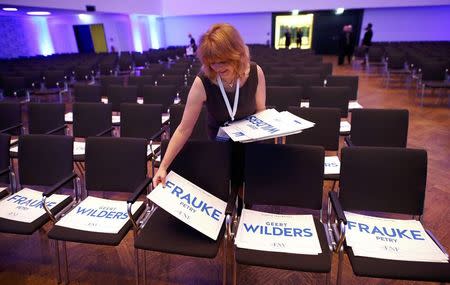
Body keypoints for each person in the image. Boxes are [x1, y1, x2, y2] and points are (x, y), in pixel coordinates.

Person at [153, 23, 266, 189]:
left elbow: (261, 111)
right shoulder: (203, 81)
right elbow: (184, 129)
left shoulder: (256, 73)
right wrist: (163, 167)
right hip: (220, 149)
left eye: (223, 62)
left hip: (250, 146)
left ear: (238, 54)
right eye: (213, 63)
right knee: (223, 194)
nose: (218, 68)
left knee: (247, 196)